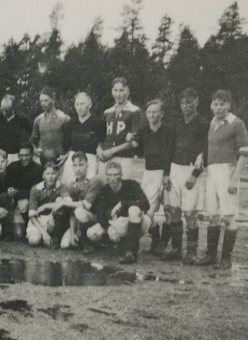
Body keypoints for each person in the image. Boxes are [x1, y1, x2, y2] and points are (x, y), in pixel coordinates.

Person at [198, 90, 248, 269]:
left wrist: (234, 178)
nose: (218, 108)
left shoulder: (237, 123)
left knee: (228, 216)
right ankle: (211, 256)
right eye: (215, 104)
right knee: (212, 214)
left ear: (229, 105)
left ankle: (226, 259)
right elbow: (208, 147)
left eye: (222, 104)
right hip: (211, 172)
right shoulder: (212, 123)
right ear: (211, 105)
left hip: (227, 171)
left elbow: (244, 154)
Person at [163, 88, 209, 263]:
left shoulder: (204, 124)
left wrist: (195, 174)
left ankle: (191, 252)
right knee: (173, 210)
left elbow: (206, 151)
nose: (185, 106)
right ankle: (176, 249)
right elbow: (169, 150)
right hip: (175, 169)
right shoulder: (176, 124)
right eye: (182, 103)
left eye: (189, 102)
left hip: (191, 172)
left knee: (190, 213)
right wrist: (166, 174)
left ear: (196, 102)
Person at [75, 159, 150, 264]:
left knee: (134, 209)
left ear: (121, 174)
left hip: (134, 220)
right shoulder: (104, 190)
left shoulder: (132, 184)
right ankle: (115, 244)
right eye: (110, 175)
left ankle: (131, 252)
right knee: (92, 233)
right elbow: (100, 214)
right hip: (116, 223)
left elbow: (146, 204)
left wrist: (124, 203)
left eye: (116, 174)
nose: (113, 178)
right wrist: (109, 228)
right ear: (106, 176)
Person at [131, 99, 175, 255]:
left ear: (162, 113)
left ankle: (164, 243)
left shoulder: (169, 130)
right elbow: (136, 147)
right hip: (149, 173)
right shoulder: (143, 131)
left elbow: (170, 153)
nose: (152, 115)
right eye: (149, 112)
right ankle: (155, 239)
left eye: (155, 111)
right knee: (147, 211)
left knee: (169, 210)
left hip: (167, 173)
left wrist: (167, 174)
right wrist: (130, 138)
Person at [97, 77, 143, 179]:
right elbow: (100, 137)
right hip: (105, 158)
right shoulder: (107, 112)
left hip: (124, 158)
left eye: (122, 90)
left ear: (128, 91)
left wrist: (112, 151)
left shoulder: (135, 111)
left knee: (122, 190)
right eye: (115, 90)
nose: (118, 94)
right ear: (112, 91)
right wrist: (99, 150)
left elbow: (135, 141)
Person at [60, 91, 104, 185]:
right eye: (77, 104)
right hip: (73, 159)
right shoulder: (70, 124)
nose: (79, 107)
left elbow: (101, 142)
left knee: (88, 187)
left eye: (82, 104)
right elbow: (66, 145)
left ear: (90, 104)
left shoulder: (98, 123)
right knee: (69, 187)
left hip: (90, 160)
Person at [5, 143, 43, 240]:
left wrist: (18, 193)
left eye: (27, 155)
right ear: (18, 155)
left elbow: (36, 191)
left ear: (32, 155)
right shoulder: (12, 167)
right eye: (21, 155)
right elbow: (8, 185)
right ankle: (10, 225)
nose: (24, 158)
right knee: (18, 234)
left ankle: (29, 224)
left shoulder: (38, 169)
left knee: (24, 203)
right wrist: (12, 191)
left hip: (30, 203)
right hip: (16, 204)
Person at [26, 162, 67, 247]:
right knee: (34, 241)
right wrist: (44, 233)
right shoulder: (36, 188)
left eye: (53, 173)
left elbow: (68, 201)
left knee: (60, 200)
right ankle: (44, 237)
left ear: (58, 175)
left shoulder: (61, 187)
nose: (50, 177)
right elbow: (32, 215)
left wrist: (45, 206)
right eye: (47, 174)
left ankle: (55, 235)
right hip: (38, 219)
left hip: (51, 220)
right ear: (43, 175)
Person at [58, 151, 92, 250]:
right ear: (72, 167)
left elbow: (88, 206)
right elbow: (72, 213)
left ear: (87, 165)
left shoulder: (93, 182)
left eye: (81, 165)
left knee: (80, 211)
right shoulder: (72, 185)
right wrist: (72, 232)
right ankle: (76, 235)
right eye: (75, 165)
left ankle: (88, 242)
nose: (78, 169)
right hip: (78, 220)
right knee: (65, 244)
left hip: (92, 220)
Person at [29, 87, 71, 167]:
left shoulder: (65, 119)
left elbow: (70, 143)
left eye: (46, 100)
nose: (43, 103)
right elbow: (32, 140)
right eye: (41, 101)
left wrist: (66, 155)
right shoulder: (38, 119)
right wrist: (34, 149)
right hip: (42, 160)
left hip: (60, 161)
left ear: (53, 99)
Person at [0, 94, 31, 163]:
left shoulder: (22, 119)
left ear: (13, 108)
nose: (4, 112)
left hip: (14, 156)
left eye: (7, 110)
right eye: (2, 109)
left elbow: (32, 134)